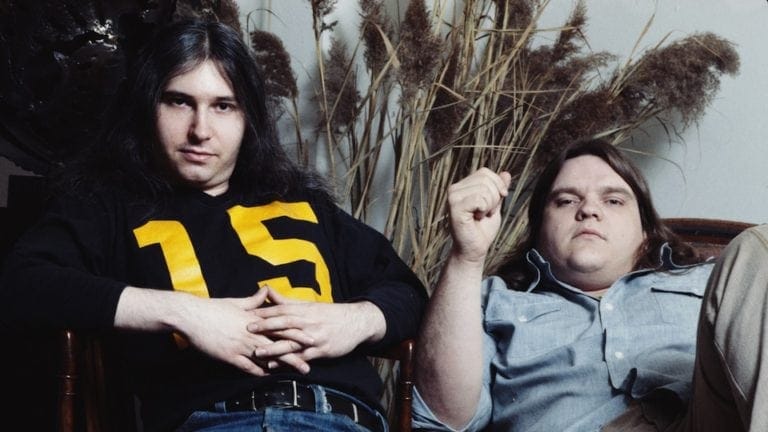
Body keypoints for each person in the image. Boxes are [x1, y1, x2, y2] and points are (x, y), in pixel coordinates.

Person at [0, 20, 426, 432]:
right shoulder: (109, 207)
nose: (200, 130)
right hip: (218, 420)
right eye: (179, 101)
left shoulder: (303, 205)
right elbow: (22, 284)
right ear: (147, 107)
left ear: (248, 119)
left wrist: (352, 321)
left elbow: (407, 292)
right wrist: (183, 314)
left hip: (345, 420)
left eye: (223, 106)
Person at [412, 138, 767, 431]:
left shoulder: (712, 281)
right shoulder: (496, 301)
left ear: (646, 231)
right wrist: (467, 256)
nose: (588, 211)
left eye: (612, 200)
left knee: (757, 247)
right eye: (566, 201)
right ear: (538, 231)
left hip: (699, 421)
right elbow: (444, 419)